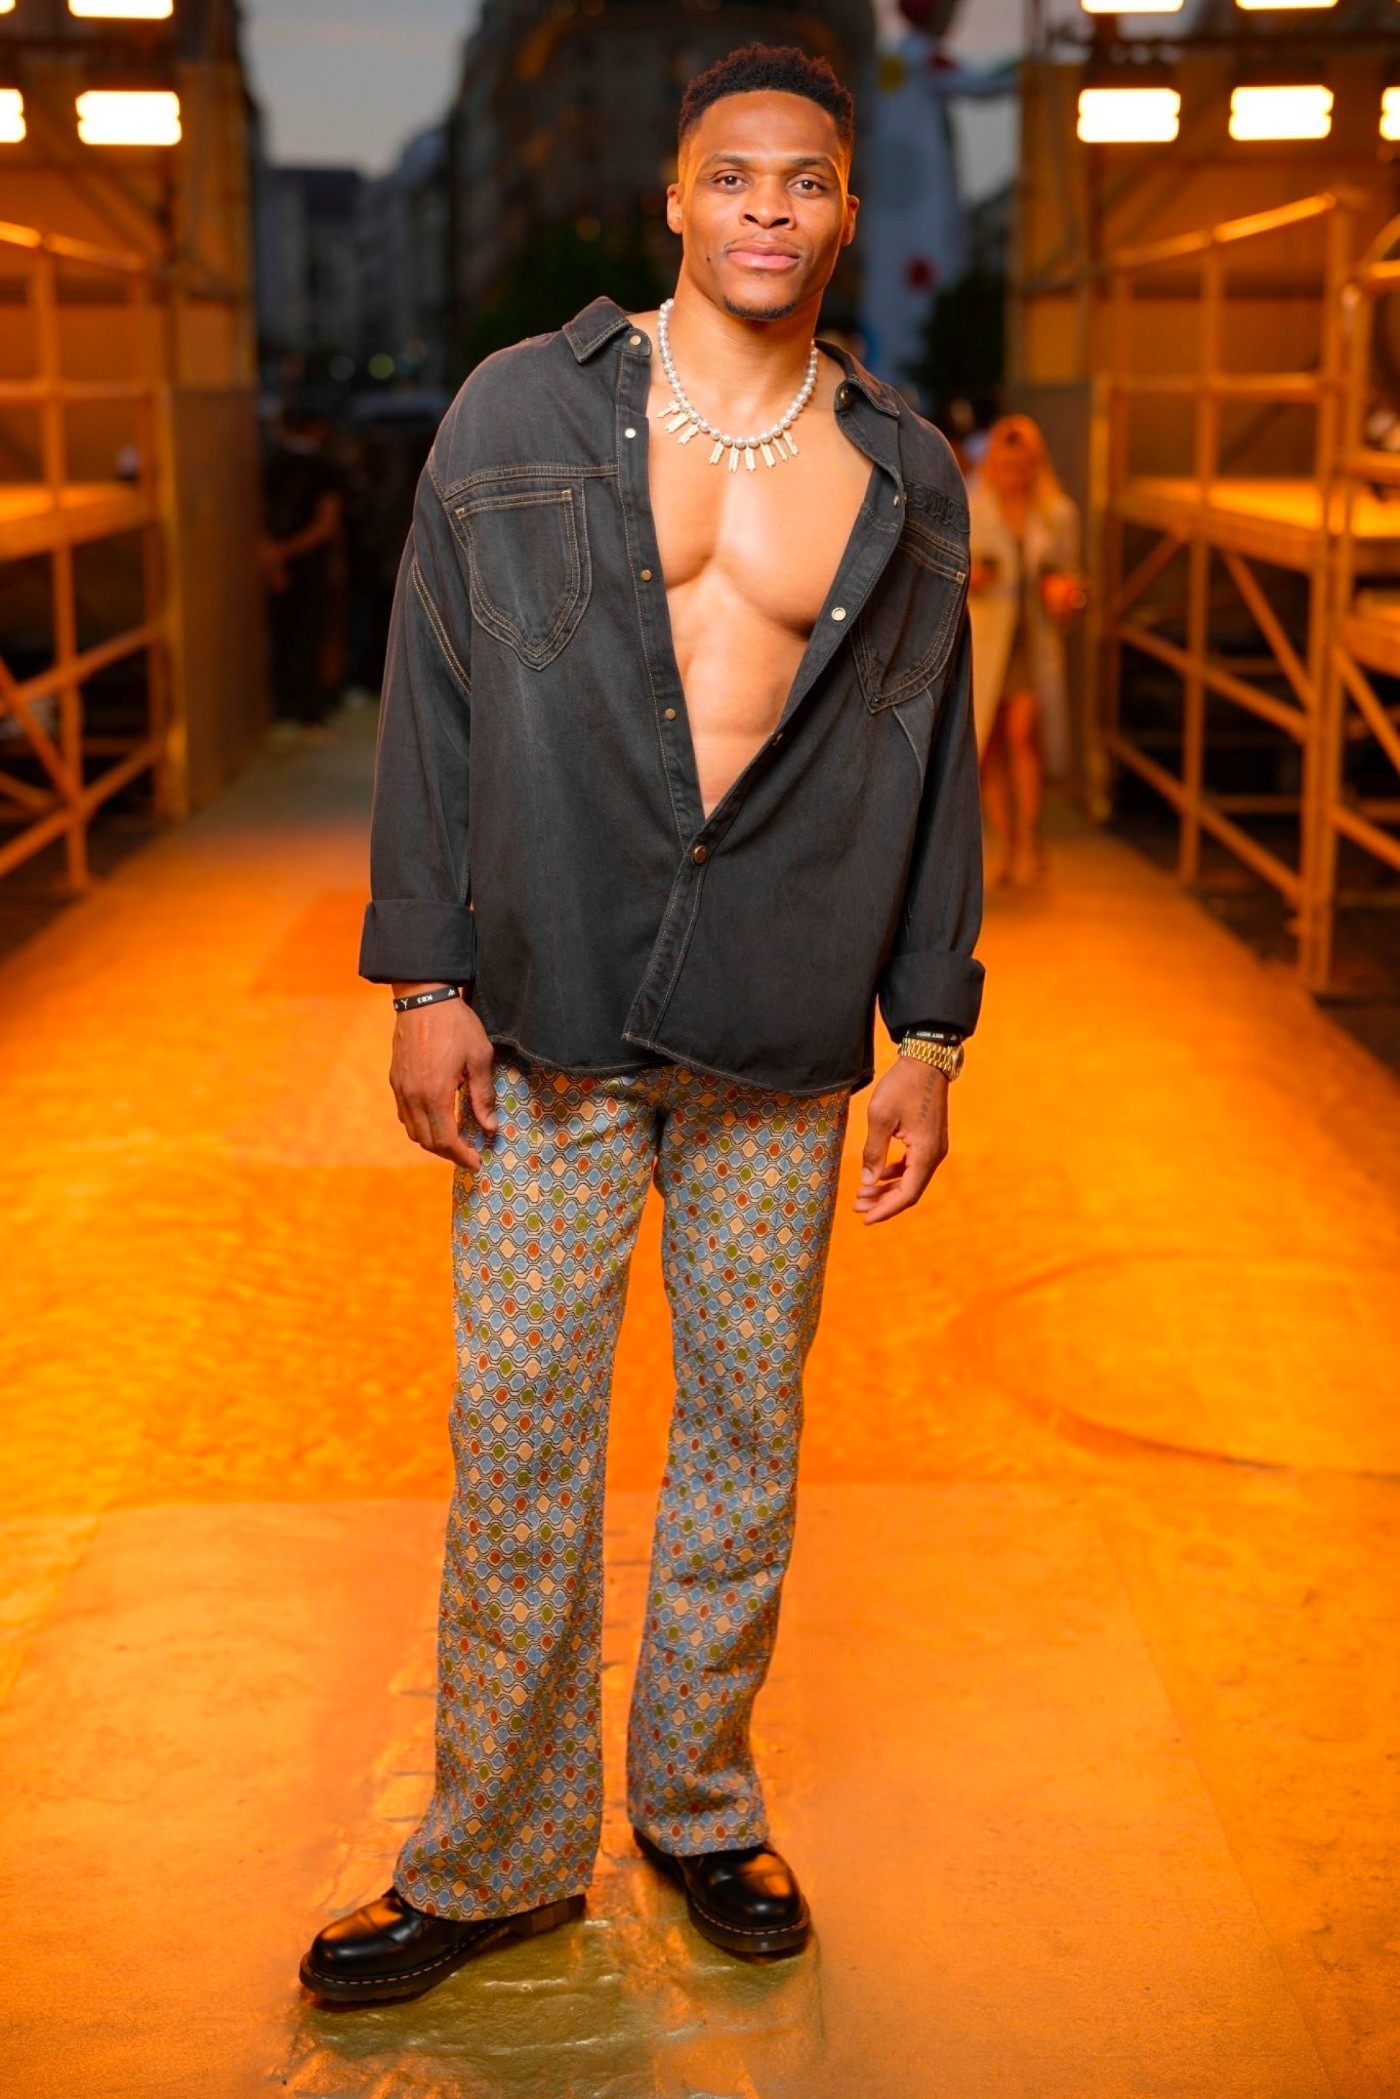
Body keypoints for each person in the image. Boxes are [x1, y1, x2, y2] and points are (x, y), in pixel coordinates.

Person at [299, 42, 983, 2008]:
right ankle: (499, 1854)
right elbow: (431, 691)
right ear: (676, 201)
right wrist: (425, 980)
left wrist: (930, 1032)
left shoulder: (906, 470)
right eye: (733, 175)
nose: (768, 205)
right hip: (547, 1013)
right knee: (520, 1434)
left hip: (782, 1016)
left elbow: (929, 764)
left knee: (743, 1435)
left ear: (843, 214)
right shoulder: (518, 410)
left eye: (805, 178)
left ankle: (695, 1804)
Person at [967, 414, 1083, 886]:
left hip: (1033, 639)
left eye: (1021, 465)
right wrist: (971, 579)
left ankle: (1030, 838)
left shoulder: (1057, 514)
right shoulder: (974, 508)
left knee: (1022, 733)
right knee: (989, 741)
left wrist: (1066, 594)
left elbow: (1072, 575)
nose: (1012, 475)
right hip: (988, 638)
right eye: (1004, 464)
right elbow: (951, 571)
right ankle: (1007, 841)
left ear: (1036, 465)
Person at [259, 406, 347, 726]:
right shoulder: (326, 467)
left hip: (273, 562)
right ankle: (310, 711)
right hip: (311, 564)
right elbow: (327, 524)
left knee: (280, 637)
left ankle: (284, 708)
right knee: (310, 636)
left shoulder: (269, 464)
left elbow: (258, 515)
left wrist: (274, 555)